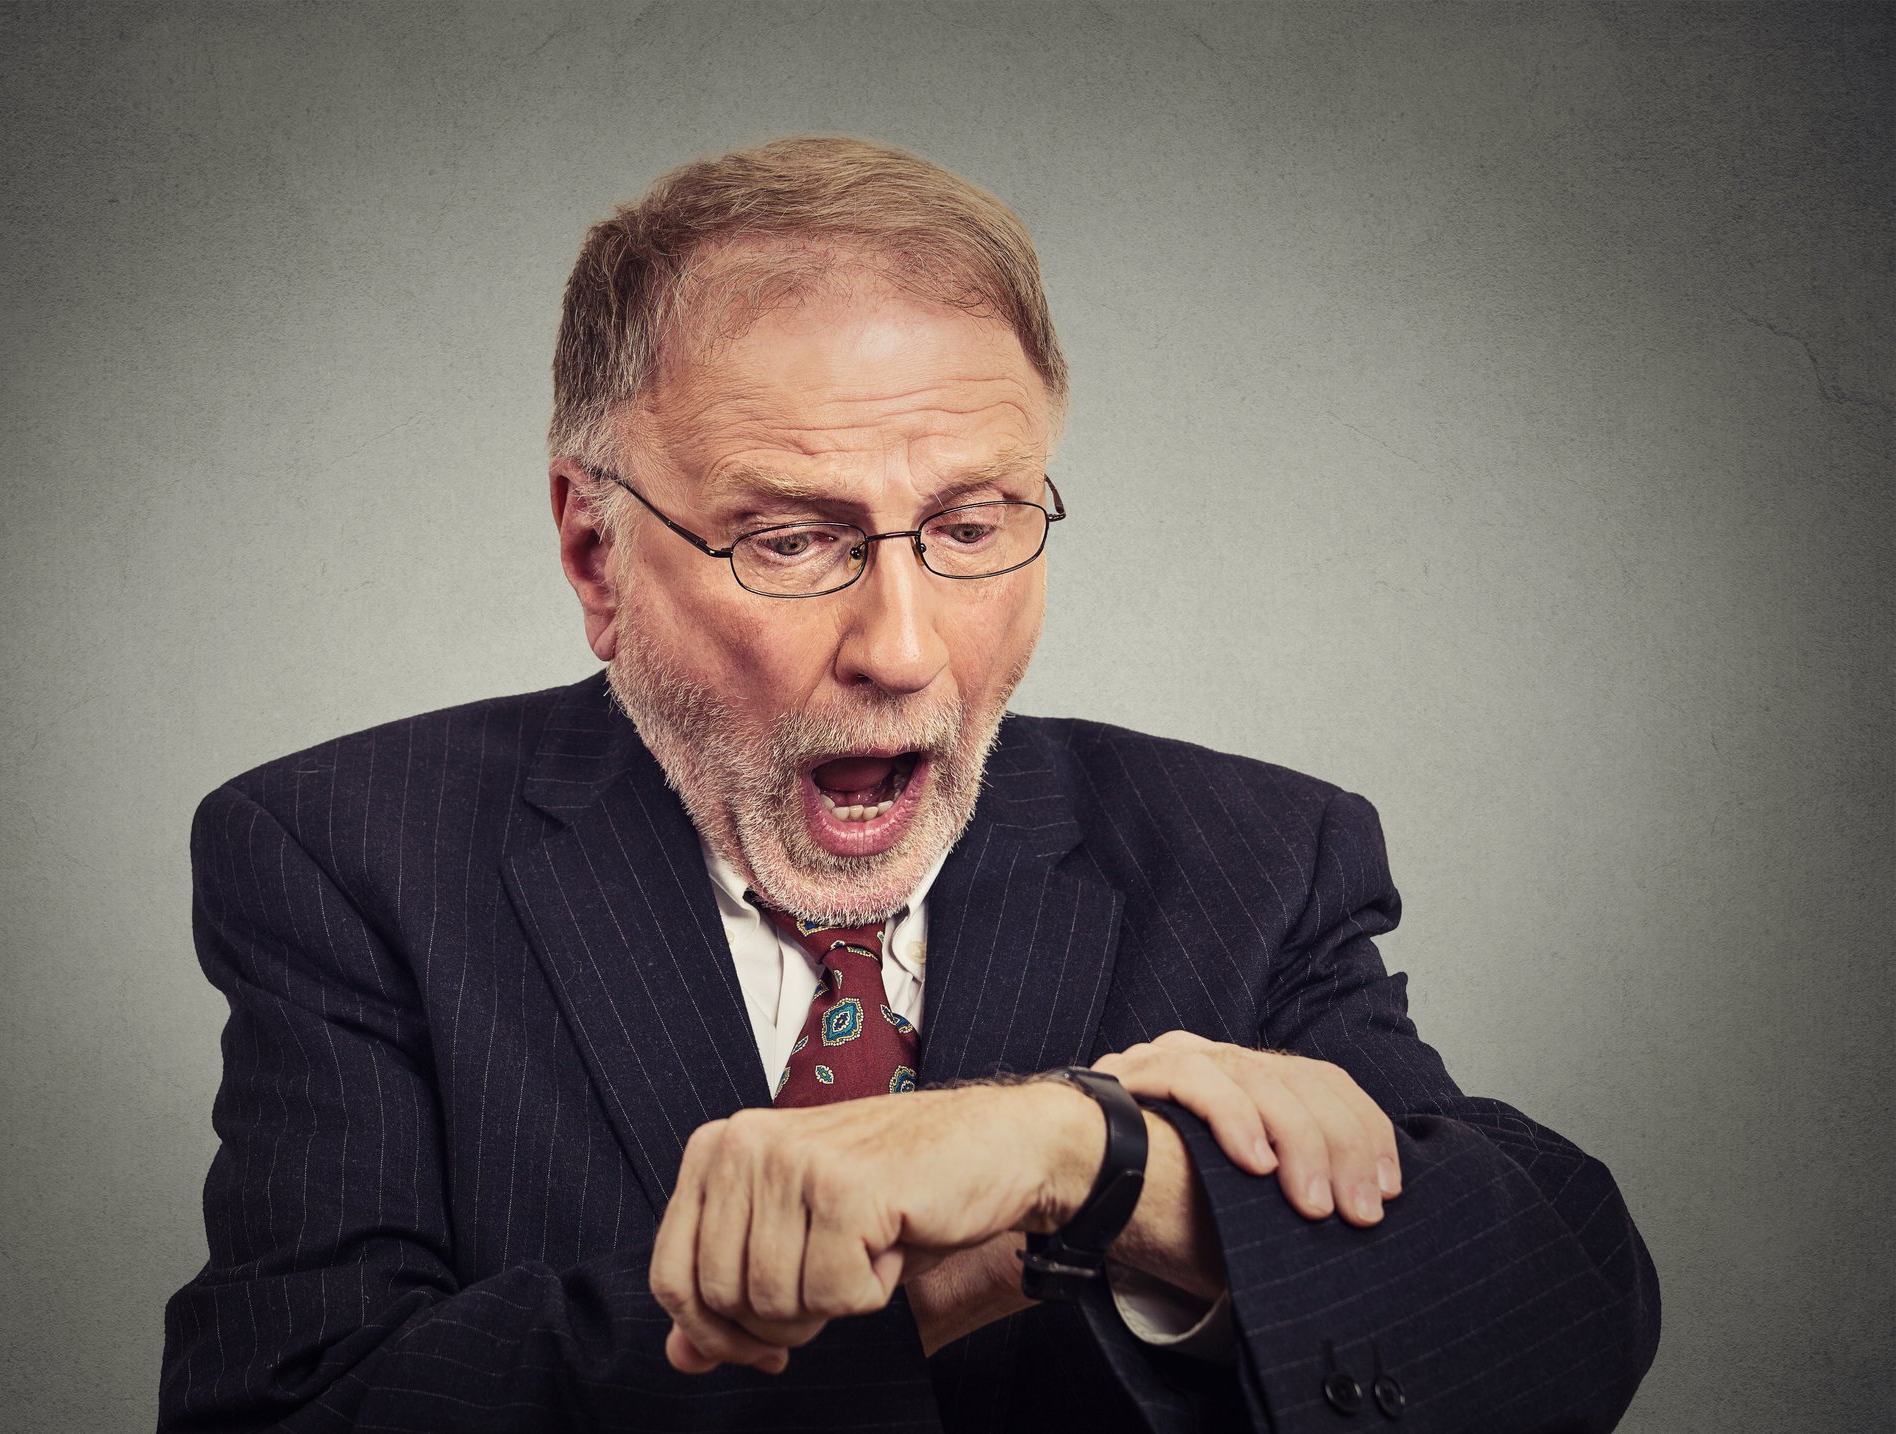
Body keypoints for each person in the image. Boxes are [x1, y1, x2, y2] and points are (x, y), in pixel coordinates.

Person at [158, 137, 1659, 1433]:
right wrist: (981, 1255)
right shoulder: (348, 853)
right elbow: (299, 1408)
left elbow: (1556, 1305)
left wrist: (1074, 1146)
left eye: (971, 522)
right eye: (792, 537)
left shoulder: (1256, 857)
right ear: (596, 551)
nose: (903, 645)